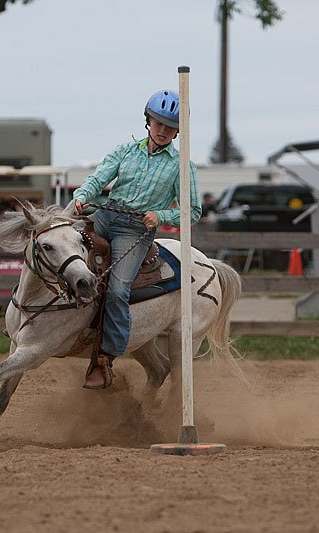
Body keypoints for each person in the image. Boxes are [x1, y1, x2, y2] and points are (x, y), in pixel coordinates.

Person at [72, 89, 201, 389]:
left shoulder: (181, 165)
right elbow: (97, 179)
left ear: (178, 131)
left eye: (170, 126)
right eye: (158, 122)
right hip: (104, 216)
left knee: (117, 289)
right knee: (60, 250)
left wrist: (161, 216)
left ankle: (105, 359)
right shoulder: (125, 151)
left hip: (134, 230)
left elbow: (192, 211)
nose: (163, 130)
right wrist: (82, 196)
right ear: (148, 121)